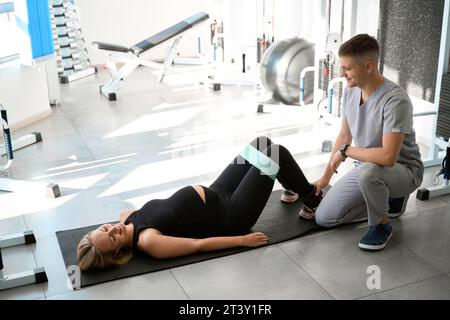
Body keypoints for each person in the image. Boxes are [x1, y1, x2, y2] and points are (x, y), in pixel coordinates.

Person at [77, 136, 323, 271]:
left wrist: (121, 225)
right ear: (119, 251)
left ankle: (291, 188)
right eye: (112, 239)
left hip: (218, 191)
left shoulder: (125, 216)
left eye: (104, 229)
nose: (113, 230)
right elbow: (197, 245)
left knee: (260, 144)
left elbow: (128, 217)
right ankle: (310, 197)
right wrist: (242, 240)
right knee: (274, 153)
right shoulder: (148, 240)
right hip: (233, 215)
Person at [287, 34, 424, 251]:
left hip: (403, 171)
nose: (342, 73)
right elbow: (344, 137)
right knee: (324, 217)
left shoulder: (396, 100)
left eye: (347, 68)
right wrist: (324, 180)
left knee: (370, 174)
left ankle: (382, 224)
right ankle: (386, 201)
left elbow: (388, 157)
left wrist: (347, 151)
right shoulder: (351, 92)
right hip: (367, 171)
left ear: (368, 66)